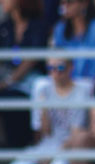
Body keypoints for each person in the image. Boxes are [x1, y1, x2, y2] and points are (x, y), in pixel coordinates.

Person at [1, 58, 91, 164]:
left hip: (68, 146)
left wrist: (52, 156)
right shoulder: (42, 88)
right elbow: (43, 133)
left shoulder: (82, 90)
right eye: (51, 68)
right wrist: (43, 109)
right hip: (47, 144)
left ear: (70, 68)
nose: (55, 73)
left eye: (60, 67)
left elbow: (77, 134)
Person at [0, 0, 48, 149]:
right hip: (6, 80)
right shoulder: (5, 27)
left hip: (31, 82)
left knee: (10, 96)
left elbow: (31, 60)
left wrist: (8, 82)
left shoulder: (38, 26)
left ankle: (19, 145)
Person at [51, 0, 95, 80]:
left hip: (92, 81)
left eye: (70, 2)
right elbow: (57, 60)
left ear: (84, 3)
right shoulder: (59, 29)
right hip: (66, 83)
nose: (65, 6)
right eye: (62, 3)